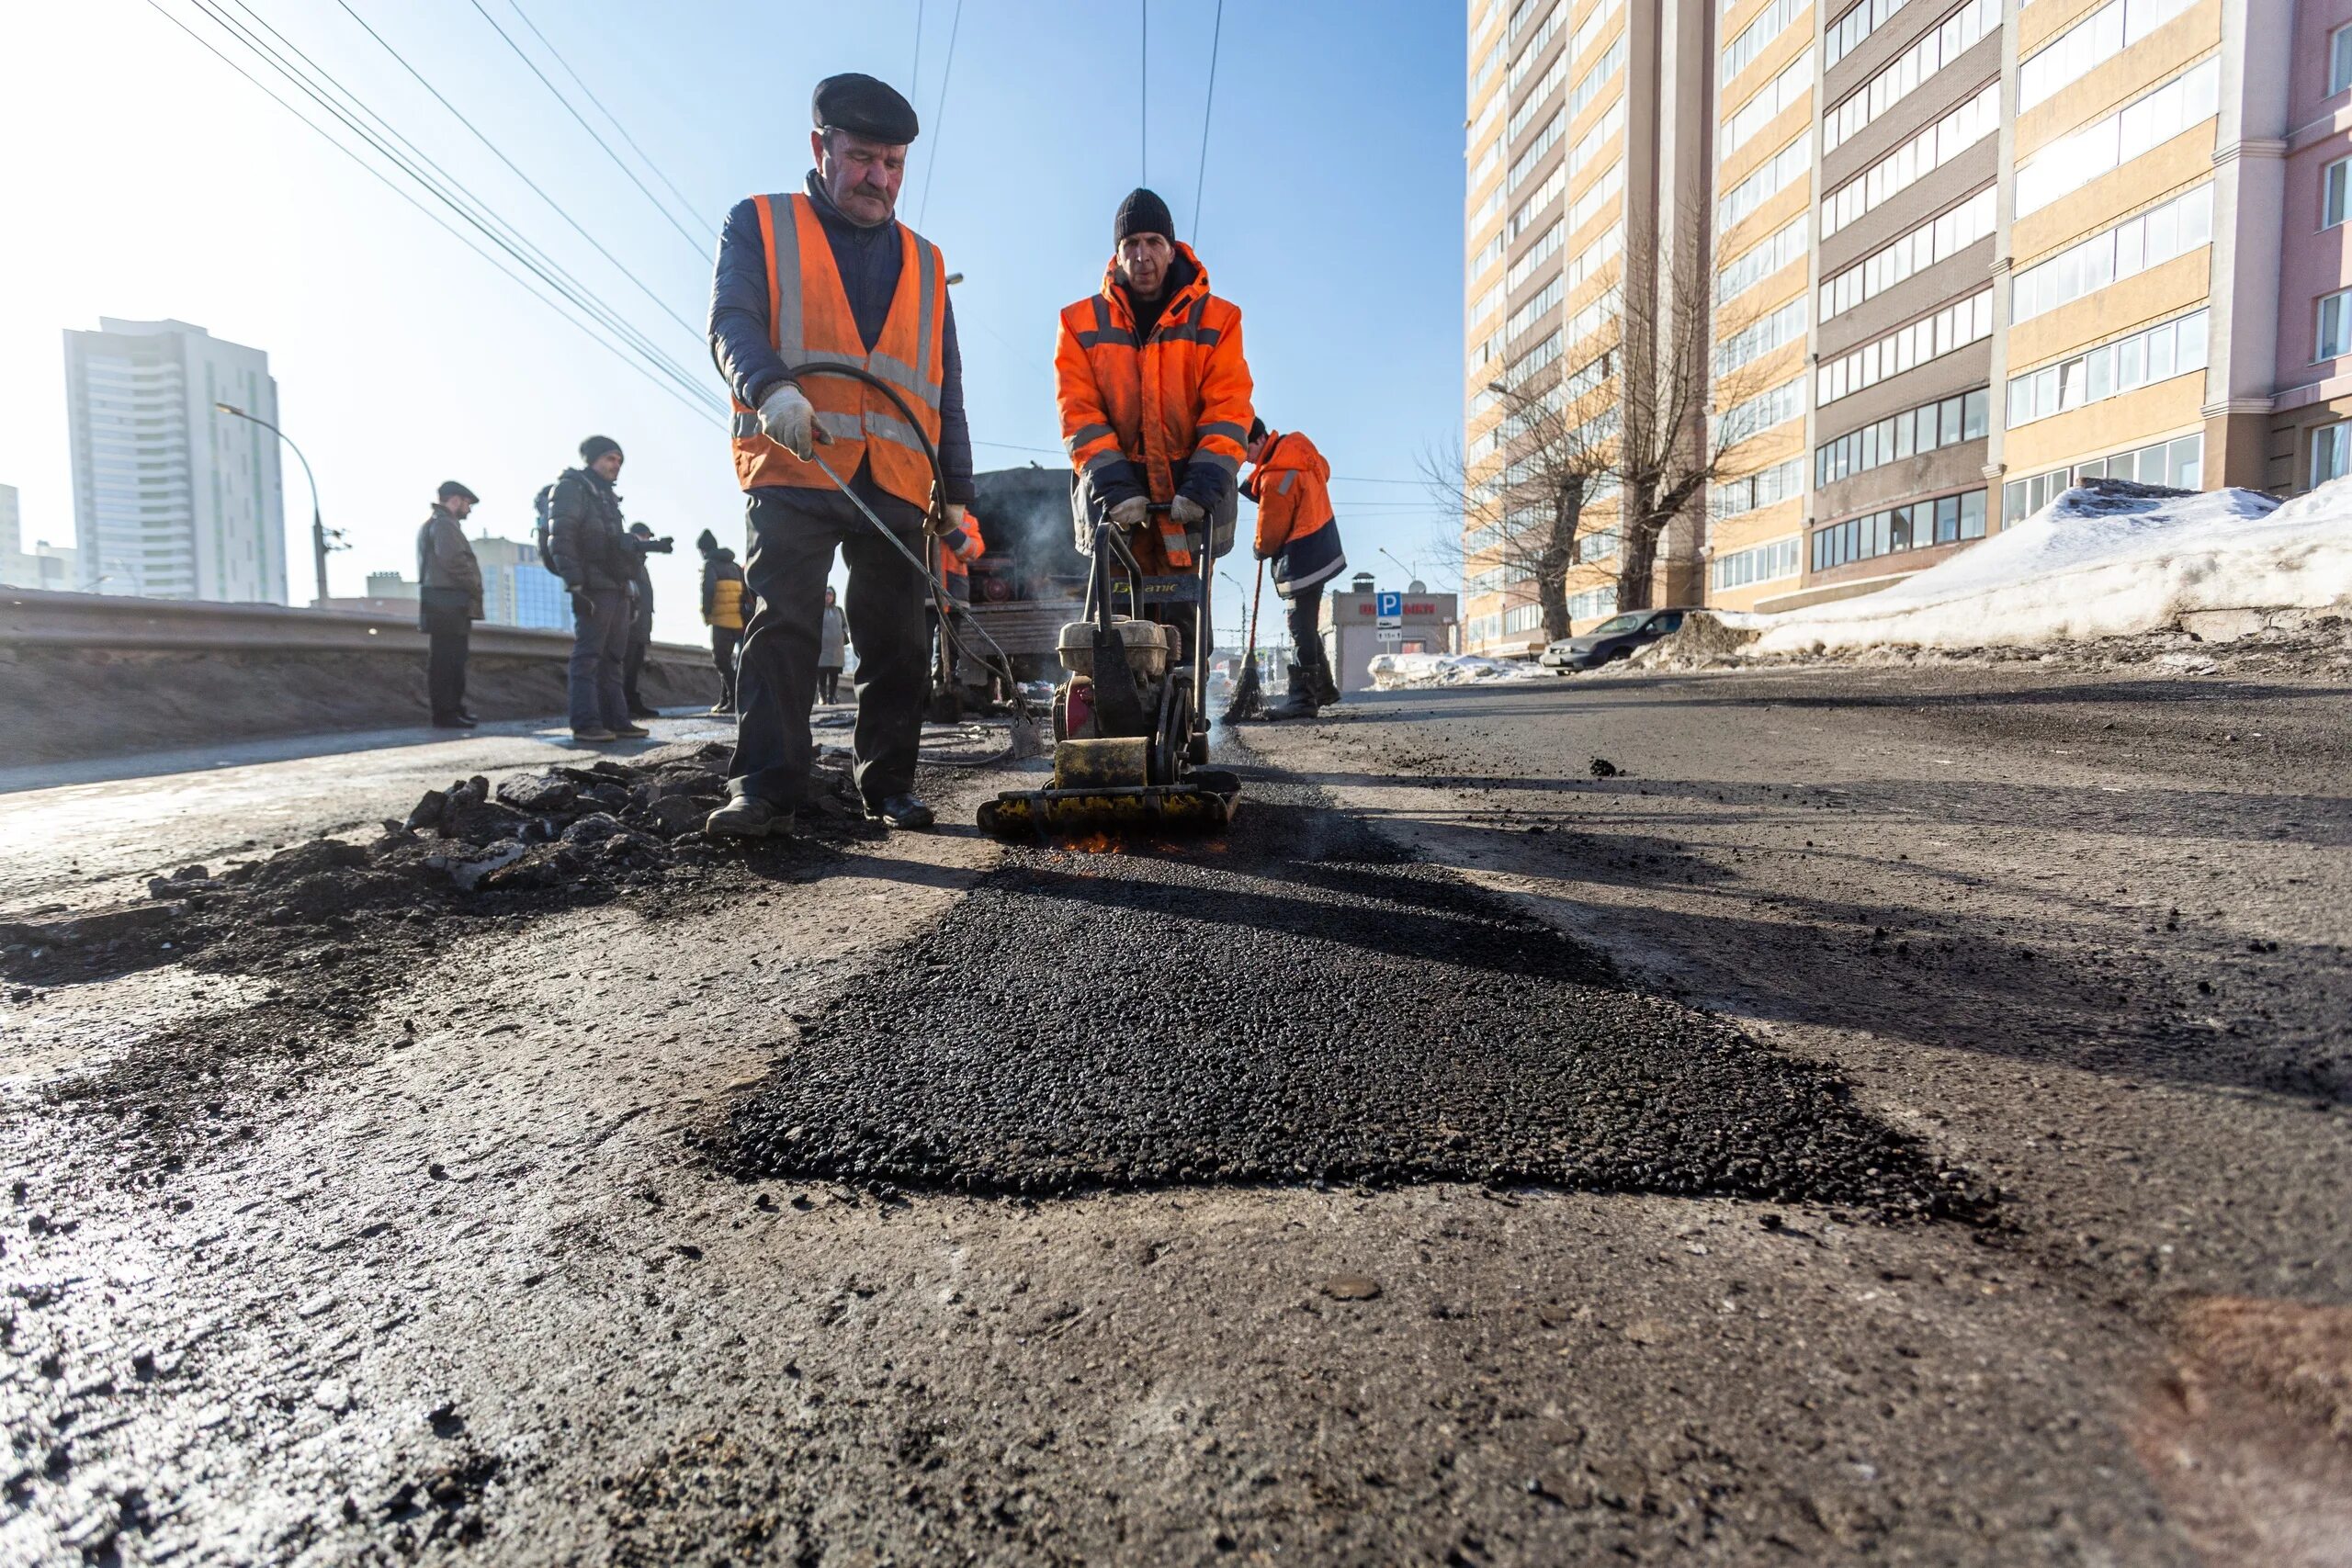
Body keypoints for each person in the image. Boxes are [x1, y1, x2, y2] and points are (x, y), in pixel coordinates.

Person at [704, 71, 974, 839]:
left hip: (894, 475)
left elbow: (947, 386)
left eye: (893, 165)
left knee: (896, 640)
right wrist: (770, 388)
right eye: (862, 159)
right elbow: (732, 317)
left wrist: (956, 489)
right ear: (821, 147)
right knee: (782, 625)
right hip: (798, 459)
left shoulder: (925, 262)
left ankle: (887, 785)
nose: (878, 179)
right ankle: (764, 788)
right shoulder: (760, 223)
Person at [1054, 186, 1254, 648]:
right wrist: (1118, 489)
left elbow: (1229, 407)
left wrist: (1202, 486)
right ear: (1117, 253)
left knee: (1183, 634)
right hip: (1117, 511)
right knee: (1117, 635)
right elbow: (1079, 412)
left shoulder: (1218, 320)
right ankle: (1117, 707)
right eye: (1131, 244)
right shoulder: (1079, 323)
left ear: (1172, 248)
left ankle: (1185, 704)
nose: (1142, 255)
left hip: (1188, 504)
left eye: (1153, 243)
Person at [545, 435, 647, 744]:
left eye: (619, 460)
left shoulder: (606, 496)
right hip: (592, 585)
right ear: (592, 459)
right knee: (588, 655)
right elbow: (561, 536)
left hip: (615, 585)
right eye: (609, 459)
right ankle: (586, 722)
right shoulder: (571, 488)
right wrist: (575, 583)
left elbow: (610, 543)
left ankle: (616, 720)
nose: (615, 465)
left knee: (613, 656)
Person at [1242, 419, 1346, 718]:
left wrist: (1260, 548)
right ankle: (1323, 688)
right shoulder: (1299, 448)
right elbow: (1324, 471)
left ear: (1261, 440)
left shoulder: (1276, 475)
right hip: (1323, 544)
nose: (1245, 457)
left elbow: (1271, 529)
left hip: (1302, 553)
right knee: (1307, 622)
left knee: (1299, 625)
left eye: (1246, 449)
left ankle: (1303, 700)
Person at [416, 480, 483, 729]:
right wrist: (474, 584)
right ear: (455, 500)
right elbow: (453, 561)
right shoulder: (444, 524)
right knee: (447, 660)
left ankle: (454, 709)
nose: (469, 509)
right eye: (467, 503)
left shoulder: (439, 523)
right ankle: (446, 713)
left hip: (444, 601)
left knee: (452, 658)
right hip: (447, 601)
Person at [621, 521, 673, 720]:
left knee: (634, 665)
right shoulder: (628, 558)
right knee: (626, 665)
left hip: (641, 621)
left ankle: (632, 702)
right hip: (631, 621)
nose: (648, 542)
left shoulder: (639, 563)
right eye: (646, 538)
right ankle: (623, 704)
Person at [696, 527, 750, 714]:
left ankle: (735, 699)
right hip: (739, 620)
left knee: (721, 660)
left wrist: (706, 613)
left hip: (721, 620)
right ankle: (724, 699)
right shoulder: (735, 566)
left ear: (703, 550)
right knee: (730, 661)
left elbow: (708, 590)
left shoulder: (710, 564)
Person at [817, 585, 847, 704]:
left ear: (834, 596)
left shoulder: (839, 610)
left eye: (830, 594)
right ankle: (822, 697)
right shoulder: (818, 610)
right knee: (821, 674)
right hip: (822, 648)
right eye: (826, 594)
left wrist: (844, 633)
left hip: (836, 649)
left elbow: (845, 624)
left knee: (834, 674)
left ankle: (832, 696)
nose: (828, 597)